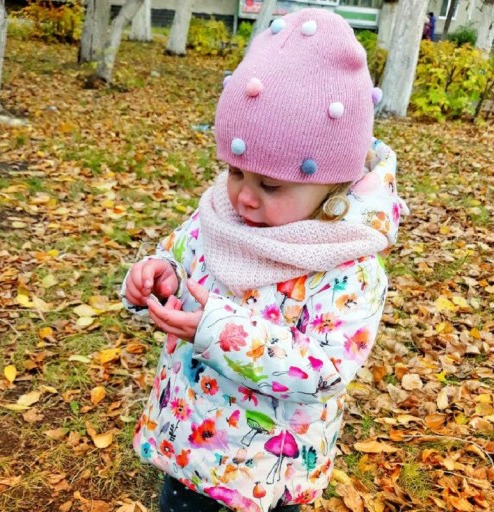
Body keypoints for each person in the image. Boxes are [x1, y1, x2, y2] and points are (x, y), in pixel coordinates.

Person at [122, 8, 407, 512]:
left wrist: (219, 330)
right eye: (235, 172)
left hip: (265, 475)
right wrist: (160, 276)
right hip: (190, 441)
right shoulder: (219, 215)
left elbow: (327, 368)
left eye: (269, 186)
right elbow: (183, 259)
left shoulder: (347, 264)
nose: (243, 198)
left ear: (334, 183)